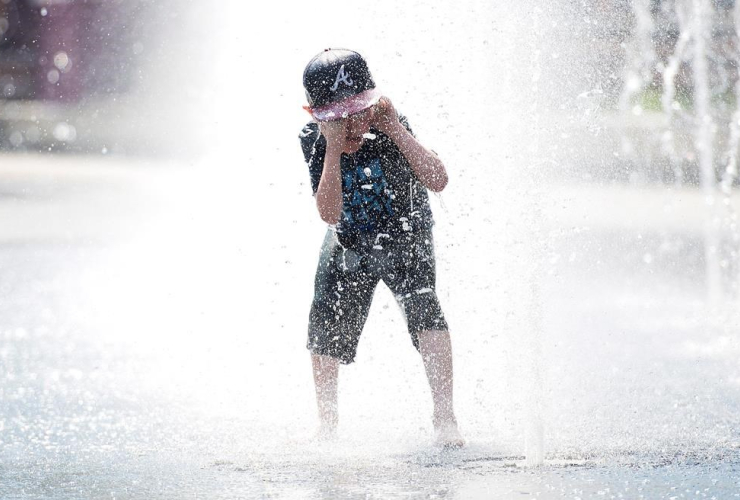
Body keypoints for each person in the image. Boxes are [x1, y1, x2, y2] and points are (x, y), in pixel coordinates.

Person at [298, 48, 464, 448]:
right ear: (315, 116)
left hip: (405, 231)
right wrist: (334, 149)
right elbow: (329, 212)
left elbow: (438, 180)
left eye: (358, 112)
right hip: (348, 235)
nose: (352, 125)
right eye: (337, 119)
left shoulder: (390, 123)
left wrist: (396, 130)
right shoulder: (315, 140)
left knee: (426, 309)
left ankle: (445, 419)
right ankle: (327, 424)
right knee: (324, 323)